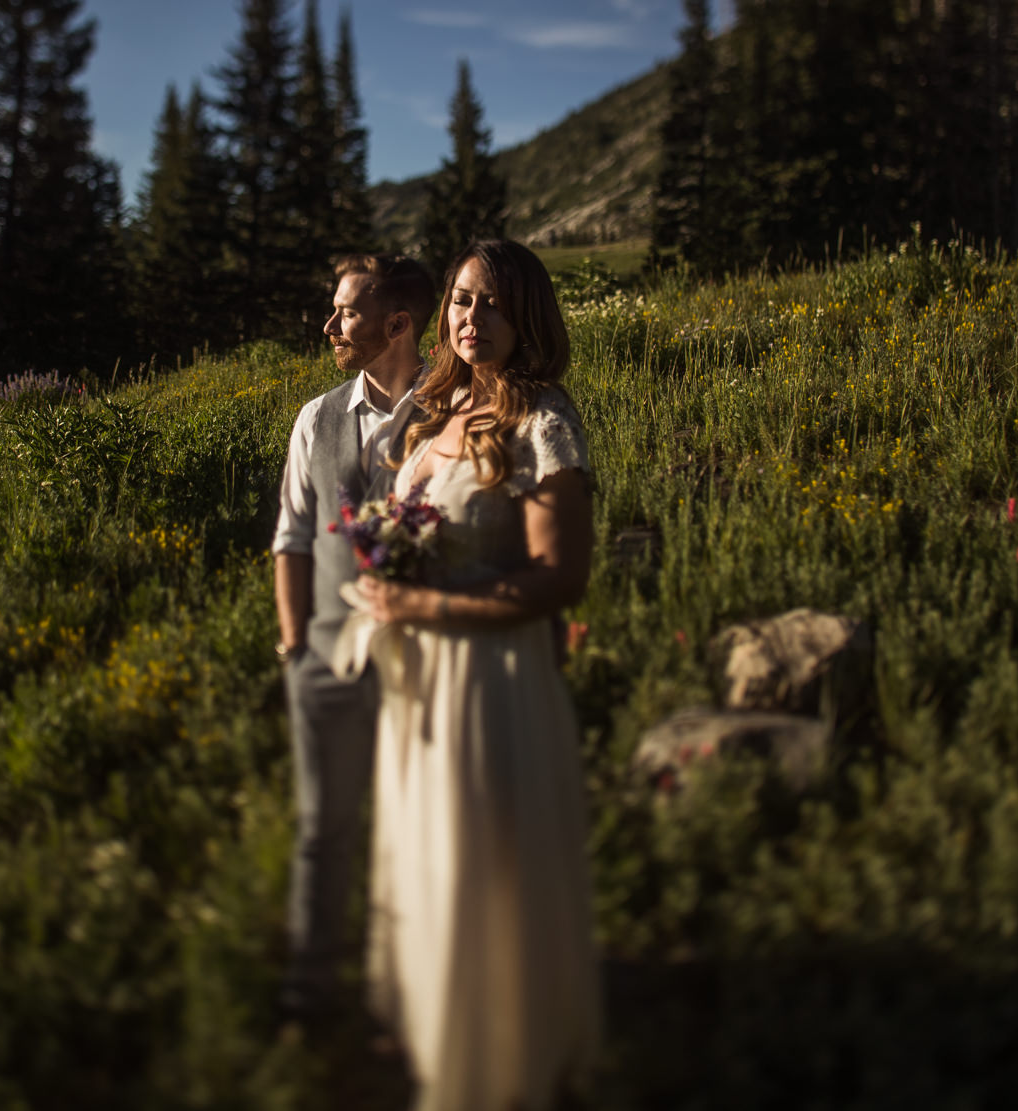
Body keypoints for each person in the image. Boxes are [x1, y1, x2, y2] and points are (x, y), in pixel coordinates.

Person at [346, 240, 601, 1110]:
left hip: (490, 689)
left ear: (525, 317)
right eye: (460, 300)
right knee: (429, 868)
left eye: (491, 303)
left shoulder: (543, 419)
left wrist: (427, 608)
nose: (470, 318)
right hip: (420, 692)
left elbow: (559, 578)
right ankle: (438, 1048)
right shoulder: (437, 411)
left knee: (485, 884)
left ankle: (498, 1072)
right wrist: (388, 575)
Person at [272, 252, 437, 1021]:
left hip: (432, 660)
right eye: (333, 310)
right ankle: (310, 994)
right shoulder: (316, 417)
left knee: (424, 830)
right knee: (324, 828)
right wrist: (294, 645)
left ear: (397, 323)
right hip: (329, 658)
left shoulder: (457, 406)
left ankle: (410, 994)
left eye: (346, 312)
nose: (330, 324)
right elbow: (293, 538)